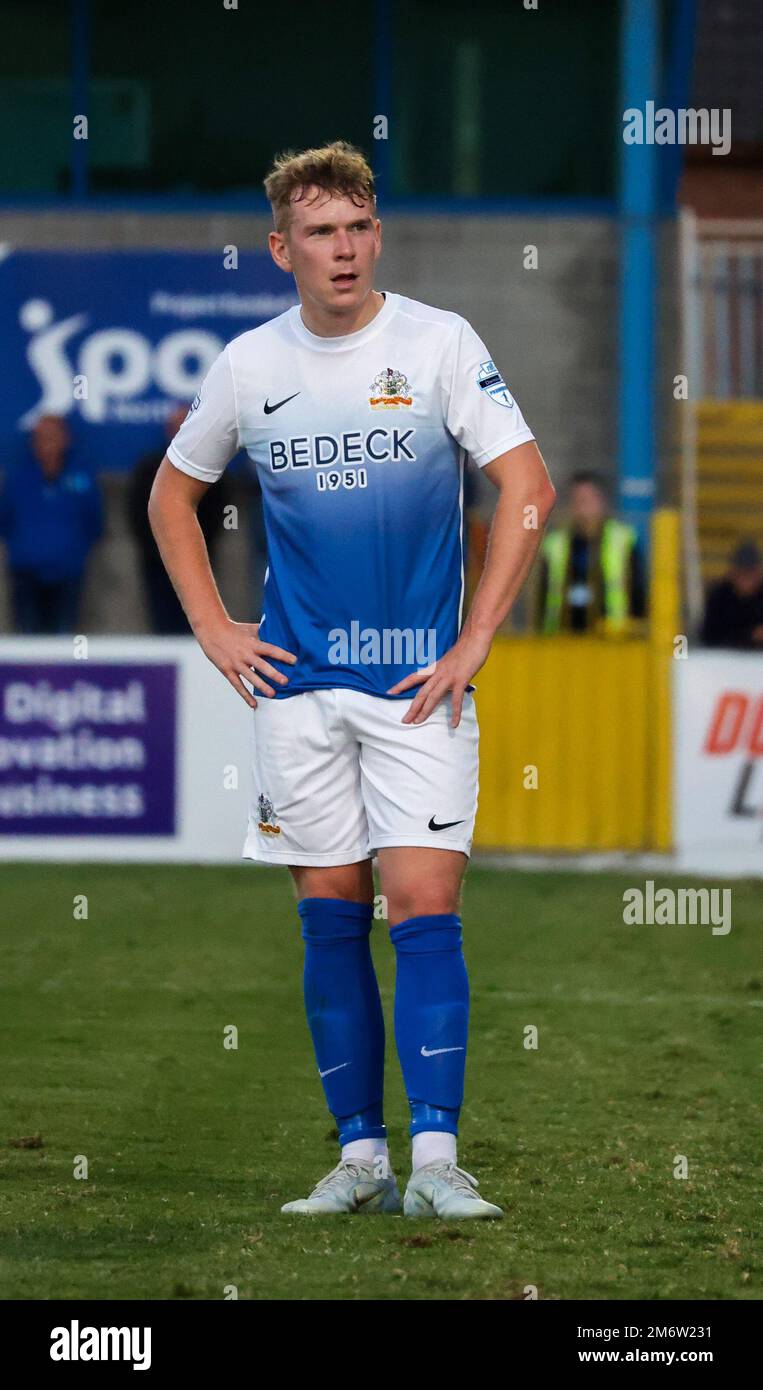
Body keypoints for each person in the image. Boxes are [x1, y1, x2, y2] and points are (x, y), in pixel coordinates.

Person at [148, 141, 555, 1220]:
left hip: (417, 688)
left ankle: (438, 1161)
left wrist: (473, 642)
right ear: (281, 248)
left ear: (378, 234)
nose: (344, 248)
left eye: (359, 226)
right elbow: (169, 498)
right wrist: (211, 625)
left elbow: (527, 488)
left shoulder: (436, 344)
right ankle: (360, 1159)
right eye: (321, 232)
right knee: (330, 919)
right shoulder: (249, 365)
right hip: (295, 692)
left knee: (422, 906)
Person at [126, 405, 237, 634]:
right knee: (162, 619)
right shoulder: (149, 467)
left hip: (201, 557)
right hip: (157, 562)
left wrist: (202, 546)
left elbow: (225, 511)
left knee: (201, 616)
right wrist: (158, 549)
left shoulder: (215, 468)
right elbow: (137, 514)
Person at [0, 415, 103, 634]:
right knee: (28, 639)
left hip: (69, 573)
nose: (46, 443)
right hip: (25, 573)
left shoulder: (81, 476)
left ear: (65, 439)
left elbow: (93, 521)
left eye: (51, 436)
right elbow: (6, 520)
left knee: (64, 638)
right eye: (40, 437)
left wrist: (74, 551)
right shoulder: (18, 477)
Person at [535, 469, 645, 634]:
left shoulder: (623, 540)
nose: (582, 508)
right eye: (577, 501)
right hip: (562, 636)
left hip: (612, 637)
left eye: (587, 500)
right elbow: (542, 596)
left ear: (602, 501)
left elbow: (637, 591)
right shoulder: (555, 544)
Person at [701, 540, 763, 649]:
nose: (746, 579)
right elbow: (708, 635)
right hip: (724, 659)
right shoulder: (720, 596)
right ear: (732, 572)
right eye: (741, 573)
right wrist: (749, 636)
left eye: (750, 574)